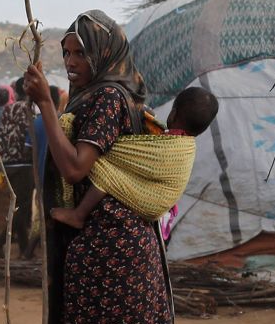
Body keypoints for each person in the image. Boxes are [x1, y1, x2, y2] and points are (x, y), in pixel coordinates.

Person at [17, 11, 211, 324]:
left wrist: (44, 105)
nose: (71, 62)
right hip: (119, 250)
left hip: (112, 254)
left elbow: (77, 166)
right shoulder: (115, 97)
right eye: (66, 53)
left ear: (105, 54)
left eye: (81, 52)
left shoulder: (106, 98)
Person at [51, 86, 219, 231]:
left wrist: (96, 143)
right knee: (112, 171)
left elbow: (129, 152)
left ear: (173, 114)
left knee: (106, 171)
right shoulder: (186, 144)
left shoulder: (172, 147)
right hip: (160, 206)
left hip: (153, 202)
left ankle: (78, 215)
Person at [0, 84, 37, 259]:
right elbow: (29, 135)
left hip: (7, 163)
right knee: (22, 207)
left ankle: (25, 250)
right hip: (22, 163)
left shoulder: (8, 109)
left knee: (19, 207)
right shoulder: (28, 108)